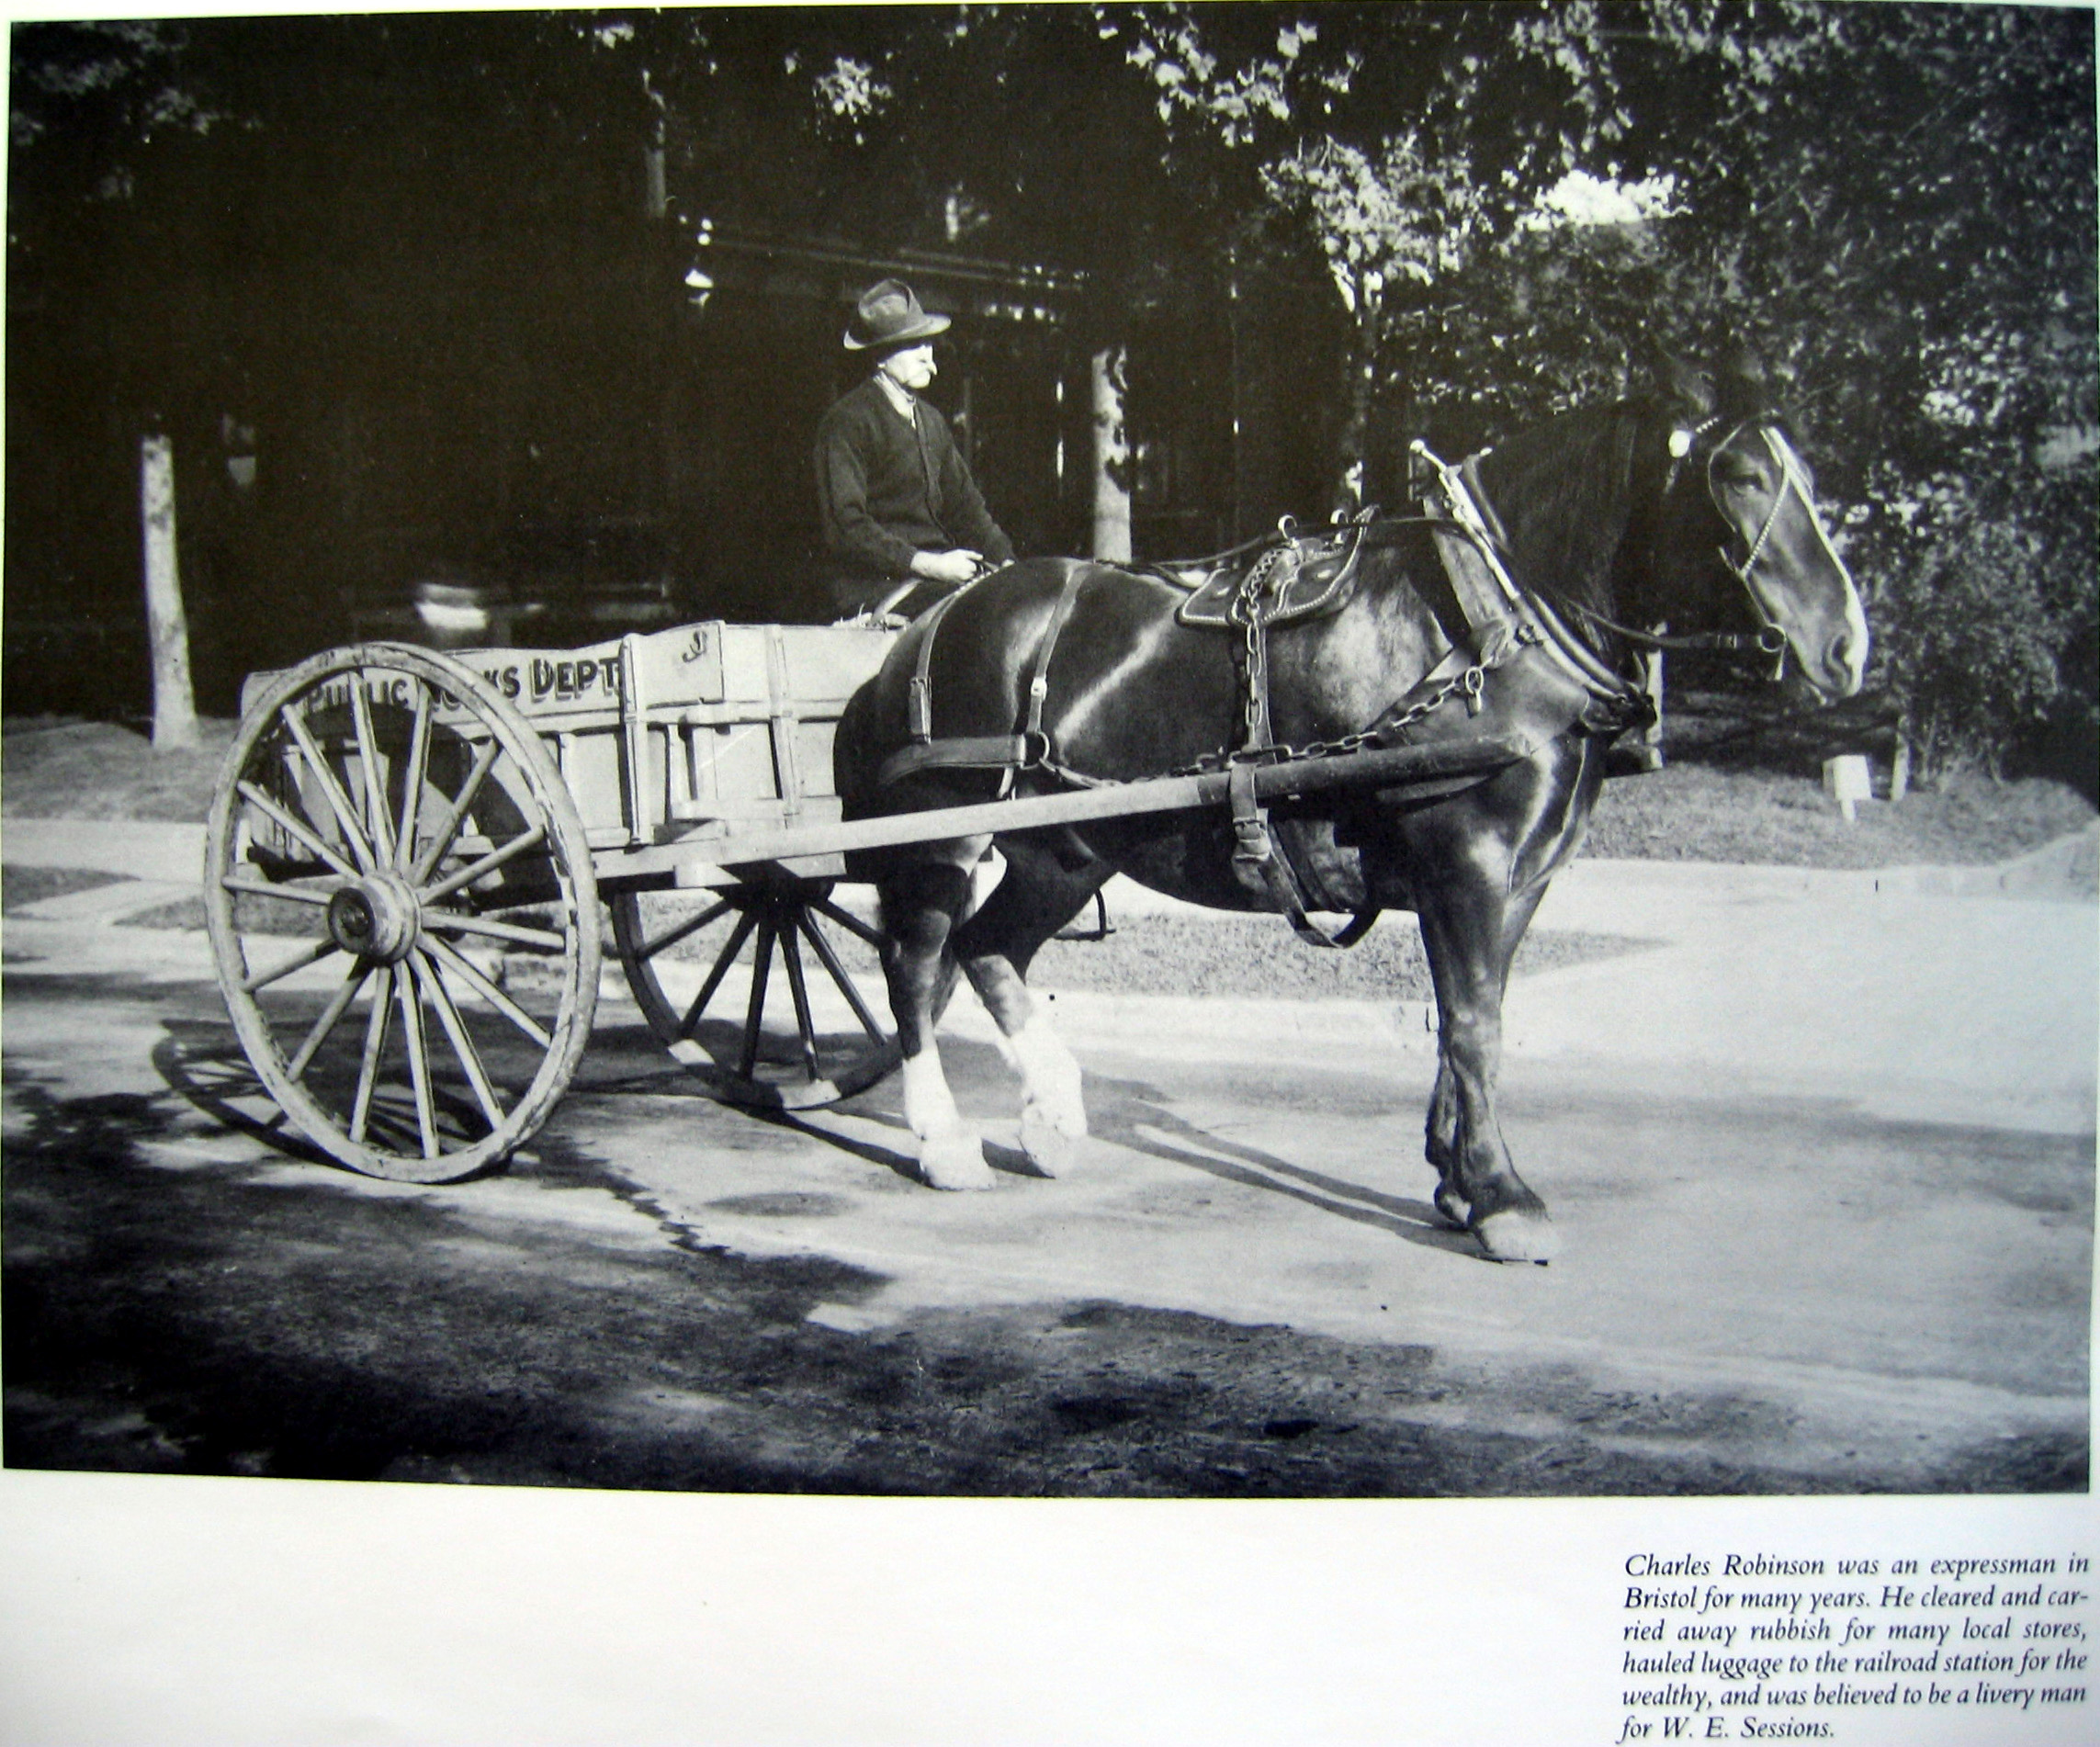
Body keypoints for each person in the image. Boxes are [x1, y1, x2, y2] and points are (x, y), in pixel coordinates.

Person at [815, 278, 1013, 616]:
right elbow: (847, 528)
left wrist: (1007, 562)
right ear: (879, 356)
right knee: (973, 618)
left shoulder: (932, 421)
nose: (926, 354)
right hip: (874, 587)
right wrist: (929, 565)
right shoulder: (847, 421)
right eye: (910, 345)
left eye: (927, 342)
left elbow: (967, 507)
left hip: (938, 580)